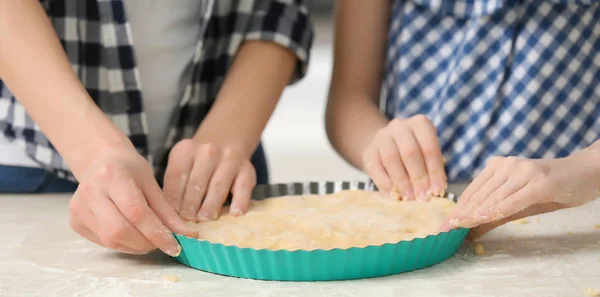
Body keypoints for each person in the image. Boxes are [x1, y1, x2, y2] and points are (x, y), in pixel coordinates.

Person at [0, 0, 312, 255]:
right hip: (36, 169)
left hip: (224, 169)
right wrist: (94, 151)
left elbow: (278, 8)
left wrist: (230, 132)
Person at [326, 0, 600, 239]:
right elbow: (349, 101)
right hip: (416, 219)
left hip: (578, 224)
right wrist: (379, 143)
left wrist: (589, 165)